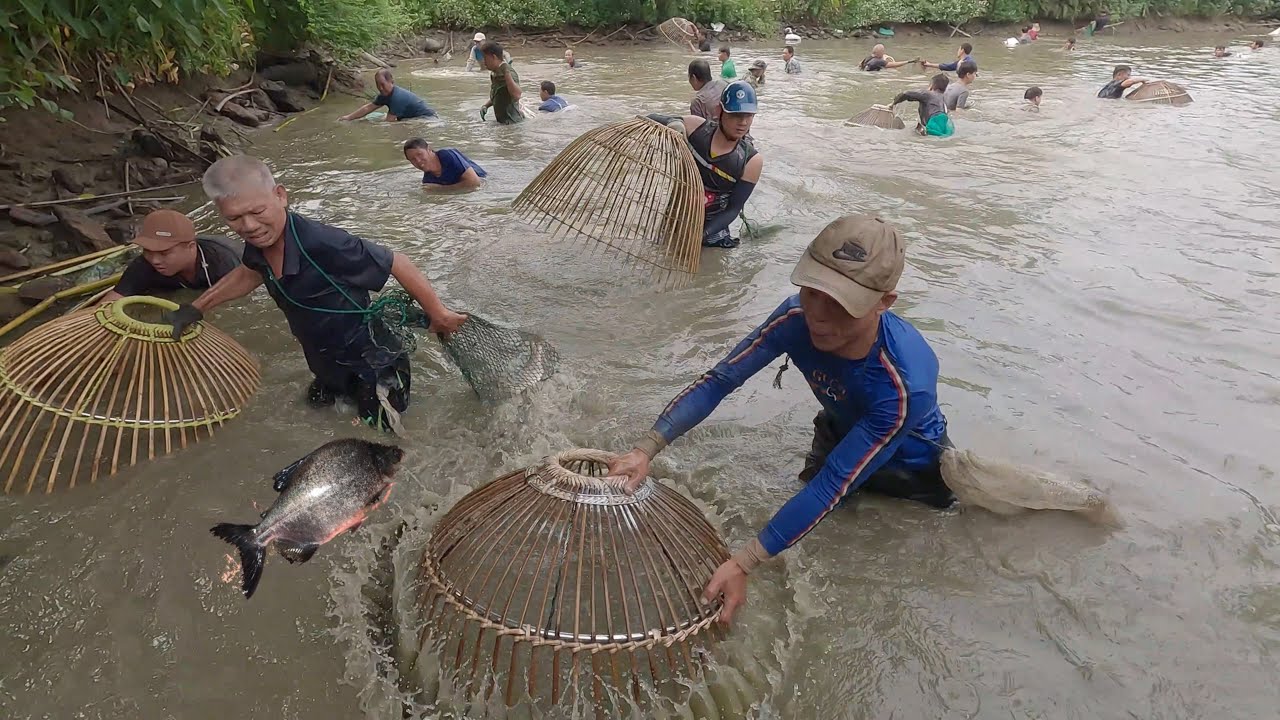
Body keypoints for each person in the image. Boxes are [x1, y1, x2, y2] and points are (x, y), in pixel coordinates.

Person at [607, 214, 954, 626]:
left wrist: (745, 562)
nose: (819, 317)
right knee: (821, 541)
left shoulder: (904, 384)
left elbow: (833, 484)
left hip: (913, 471)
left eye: (842, 304)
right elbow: (721, 380)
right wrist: (646, 449)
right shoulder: (794, 321)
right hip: (838, 432)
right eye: (812, 292)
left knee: (882, 568)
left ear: (884, 302)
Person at [165, 155, 467, 432]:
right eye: (234, 219)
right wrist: (196, 308)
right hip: (326, 362)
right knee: (315, 416)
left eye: (257, 211)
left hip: (372, 364)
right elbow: (250, 272)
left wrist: (439, 315)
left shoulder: (324, 242)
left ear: (280, 196)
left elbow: (397, 262)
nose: (249, 226)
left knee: (383, 437)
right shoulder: (260, 242)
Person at [647, 81, 763, 249]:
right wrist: (674, 122)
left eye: (748, 116)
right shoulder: (696, 128)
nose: (743, 122)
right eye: (736, 115)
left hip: (713, 236)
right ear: (719, 111)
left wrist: (701, 235)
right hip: (676, 220)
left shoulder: (751, 161)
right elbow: (650, 118)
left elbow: (733, 209)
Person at [100, 209, 241, 304]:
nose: (155, 260)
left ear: (190, 248)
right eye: (147, 250)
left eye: (164, 253)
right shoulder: (145, 264)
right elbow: (113, 299)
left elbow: (236, 304)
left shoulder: (223, 263)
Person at [339, 69, 435, 122]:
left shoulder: (397, 97)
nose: (380, 88)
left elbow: (389, 122)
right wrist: (348, 117)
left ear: (391, 82)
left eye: (383, 84)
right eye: (378, 85)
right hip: (413, 117)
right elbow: (368, 108)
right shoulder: (385, 94)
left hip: (427, 120)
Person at [403, 138, 486, 190]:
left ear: (429, 149)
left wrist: (441, 189)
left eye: (420, 154)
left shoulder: (447, 155)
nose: (418, 161)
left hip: (486, 181)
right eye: (412, 159)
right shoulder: (428, 181)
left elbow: (475, 182)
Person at [479, 41, 523, 125]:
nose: (483, 62)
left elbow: (517, 95)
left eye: (485, 58)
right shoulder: (494, 73)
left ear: (494, 57)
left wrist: (506, 73)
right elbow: (498, 94)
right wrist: (486, 106)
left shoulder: (509, 72)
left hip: (513, 123)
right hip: (503, 122)